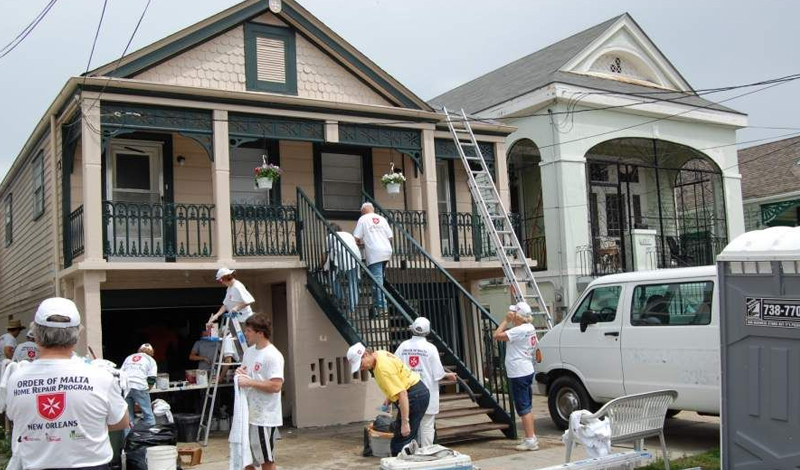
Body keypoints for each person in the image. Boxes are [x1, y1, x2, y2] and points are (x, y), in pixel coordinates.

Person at [5, 297, 129, 470]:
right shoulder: (100, 376)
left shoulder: (16, 378)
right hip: (91, 465)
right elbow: (121, 422)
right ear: (77, 335)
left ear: (37, 336)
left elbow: (15, 418)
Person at [347, 342, 429, 455]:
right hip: (417, 391)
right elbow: (397, 379)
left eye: (361, 364)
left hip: (414, 396)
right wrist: (389, 397)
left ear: (365, 354)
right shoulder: (380, 354)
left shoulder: (382, 369)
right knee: (407, 439)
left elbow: (403, 393)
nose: (361, 368)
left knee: (400, 443)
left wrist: (405, 423)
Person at [394, 317, 457, 447]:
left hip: (409, 392)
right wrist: (448, 375)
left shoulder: (403, 346)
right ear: (428, 331)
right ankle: (426, 453)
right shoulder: (431, 348)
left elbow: (395, 366)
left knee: (410, 425)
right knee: (427, 426)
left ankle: (410, 453)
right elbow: (437, 373)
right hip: (428, 392)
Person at [236, 313, 284, 470]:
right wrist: (240, 373)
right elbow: (247, 374)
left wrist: (249, 381)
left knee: (266, 460)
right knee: (246, 459)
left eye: (249, 330)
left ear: (260, 332)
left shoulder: (273, 355)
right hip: (248, 414)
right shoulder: (249, 352)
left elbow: (276, 386)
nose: (245, 333)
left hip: (264, 417)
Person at [493, 301, 539, 451]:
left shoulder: (519, 331)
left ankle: (530, 439)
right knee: (528, 405)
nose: (511, 315)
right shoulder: (530, 328)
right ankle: (532, 436)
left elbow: (497, 335)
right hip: (527, 369)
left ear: (519, 316)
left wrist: (506, 320)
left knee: (523, 407)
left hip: (518, 371)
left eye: (514, 313)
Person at [353, 203, 393, 316]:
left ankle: (381, 306)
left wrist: (360, 244)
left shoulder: (363, 219)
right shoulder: (382, 219)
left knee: (377, 281)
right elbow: (390, 237)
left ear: (362, 211)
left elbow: (356, 237)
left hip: (375, 253)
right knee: (379, 278)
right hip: (386, 251)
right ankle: (377, 304)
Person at [324, 223, 360, 314]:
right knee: (353, 283)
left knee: (332, 278)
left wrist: (323, 266)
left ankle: (341, 297)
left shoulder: (330, 236)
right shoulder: (348, 235)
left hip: (341, 259)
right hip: (355, 259)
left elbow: (326, 254)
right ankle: (353, 309)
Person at [120, 343, 158, 428]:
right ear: (152, 353)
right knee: (148, 415)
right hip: (140, 386)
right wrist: (145, 392)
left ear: (139, 350)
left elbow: (120, 373)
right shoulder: (151, 360)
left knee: (128, 418)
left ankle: (129, 439)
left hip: (126, 387)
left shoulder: (129, 358)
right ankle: (151, 437)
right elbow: (151, 379)